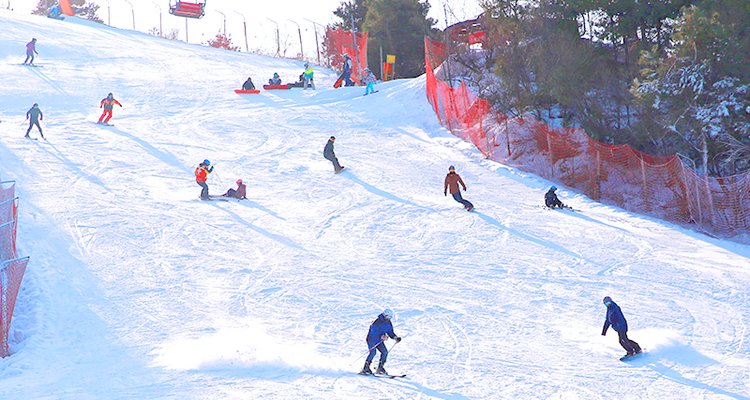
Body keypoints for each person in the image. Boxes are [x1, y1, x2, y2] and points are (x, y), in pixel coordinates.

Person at [361, 308, 402, 375]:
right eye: (388, 317)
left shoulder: (388, 322)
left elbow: (390, 332)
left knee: (385, 352)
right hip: (371, 340)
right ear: (384, 315)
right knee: (373, 352)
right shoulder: (377, 322)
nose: (389, 318)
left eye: (390, 317)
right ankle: (366, 368)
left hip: (379, 341)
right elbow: (373, 333)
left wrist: (395, 337)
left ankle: (380, 367)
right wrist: (381, 336)